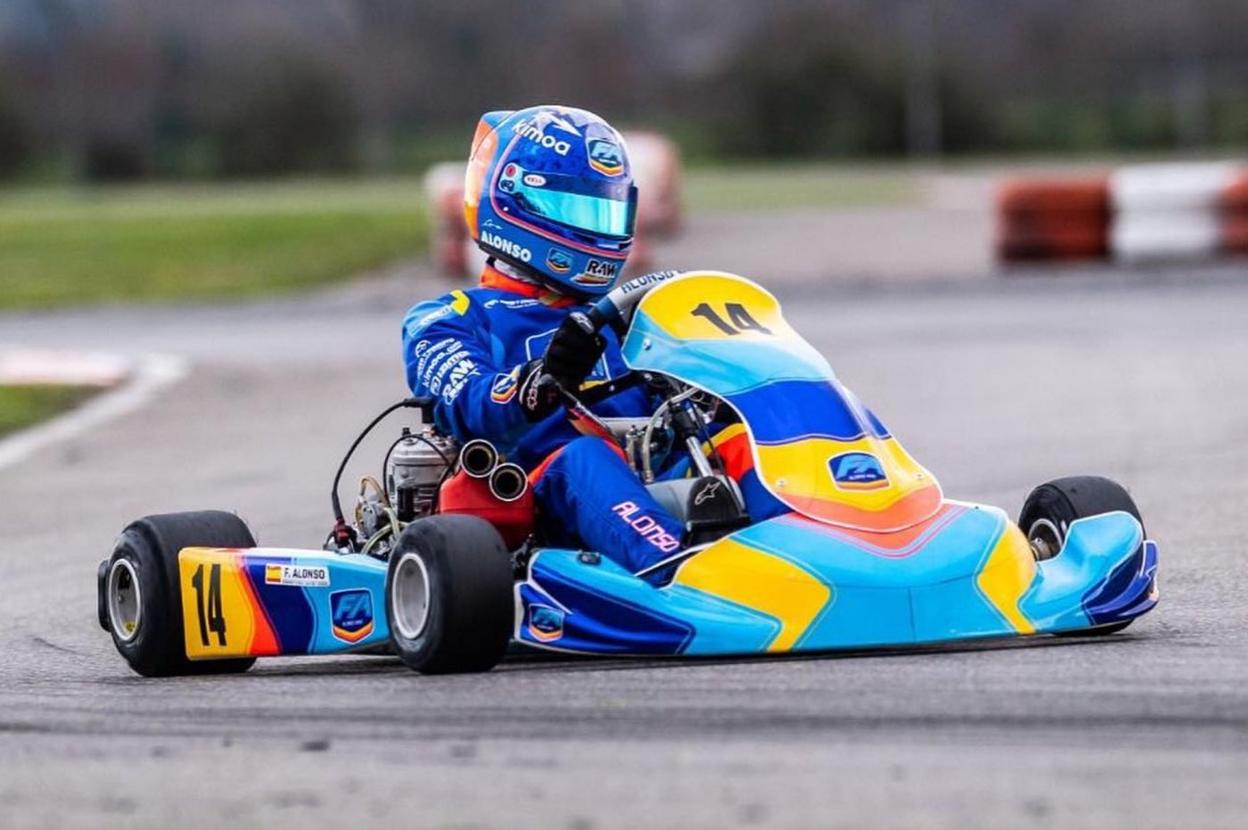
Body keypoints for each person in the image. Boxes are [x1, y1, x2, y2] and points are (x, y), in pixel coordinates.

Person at [403, 105, 780, 577]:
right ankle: (683, 576)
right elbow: (471, 403)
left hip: (658, 478)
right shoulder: (451, 318)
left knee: (749, 433)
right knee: (583, 457)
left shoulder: (641, 312)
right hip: (538, 502)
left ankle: (843, 539)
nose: (596, 228)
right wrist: (540, 381)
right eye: (578, 210)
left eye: (606, 211)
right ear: (515, 202)